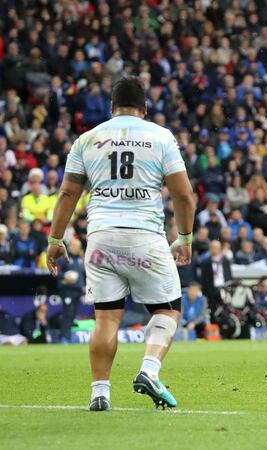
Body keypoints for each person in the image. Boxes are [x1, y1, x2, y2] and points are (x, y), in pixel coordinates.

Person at [45, 77, 195, 411]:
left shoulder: (87, 139)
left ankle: (100, 393)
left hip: (101, 237)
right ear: (145, 108)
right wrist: (184, 237)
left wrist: (55, 239)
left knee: (106, 319)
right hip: (145, 236)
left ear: (111, 107)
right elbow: (183, 195)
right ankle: (149, 371)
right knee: (168, 309)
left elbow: (68, 193)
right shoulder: (160, 137)